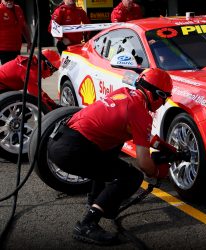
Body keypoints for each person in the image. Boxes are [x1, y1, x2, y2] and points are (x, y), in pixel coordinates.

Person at [47, 68, 173, 245]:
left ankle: (96, 200)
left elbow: (139, 132)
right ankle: (87, 224)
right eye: (165, 97)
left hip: (58, 141)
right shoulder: (140, 112)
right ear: (156, 94)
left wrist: (167, 148)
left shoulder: (124, 94)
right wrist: (159, 172)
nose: (164, 102)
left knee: (114, 145)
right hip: (73, 151)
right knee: (131, 177)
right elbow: (145, 164)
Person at [0, 0, 32, 64]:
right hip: (4, 49)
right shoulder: (0, 10)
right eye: (6, 0)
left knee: (17, 70)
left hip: (17, 47)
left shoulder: (18, 8)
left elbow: (23, 26)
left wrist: (29, 42)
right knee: (8, 71)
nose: (9, 1)